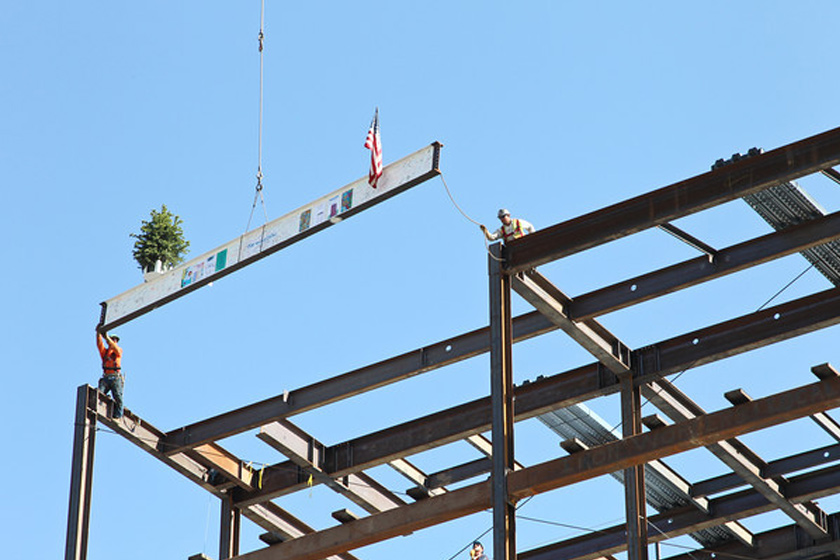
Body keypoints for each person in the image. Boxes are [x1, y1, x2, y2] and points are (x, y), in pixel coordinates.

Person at [96, 329, 124, 419]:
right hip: (106, 378)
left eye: (115, 340)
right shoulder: (105, 353)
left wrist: (106, 337)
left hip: (115, 378)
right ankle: (96, 407)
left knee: (118, 397)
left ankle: (118, 415)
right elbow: (99, 344)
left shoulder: (118, 351)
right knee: (98, 393)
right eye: (113, 339)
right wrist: (98, 333)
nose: (113, 341)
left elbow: (114, 347)